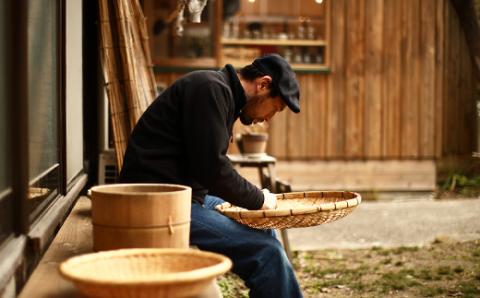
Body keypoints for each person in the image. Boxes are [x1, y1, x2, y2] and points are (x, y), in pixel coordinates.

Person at [120, 54, 303, 298]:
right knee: (266, 251)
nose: (268, 119)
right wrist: (258, 199)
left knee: (263, 230)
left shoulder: (221, 93)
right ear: (263, 84)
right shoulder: (210, 89)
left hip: (182, 197)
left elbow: (207, 167)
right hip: (154, 204)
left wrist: (253, 205)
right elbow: (213, 169)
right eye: (276, 108)